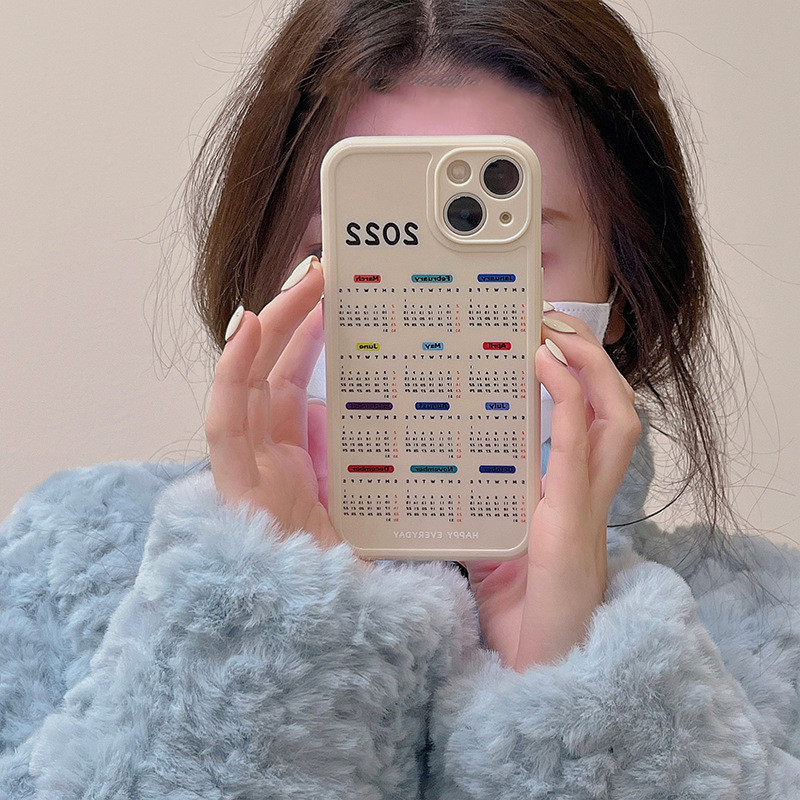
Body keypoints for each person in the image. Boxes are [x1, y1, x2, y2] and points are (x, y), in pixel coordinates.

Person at [2, 0, 799, 797]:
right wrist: (267, 632)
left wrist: (576, 696)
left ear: (619, 290)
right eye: (356, 242)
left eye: (503, 247)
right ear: (266, 269)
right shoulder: (67, 568)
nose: (430, 300)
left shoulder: (774, 625)